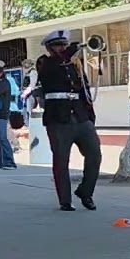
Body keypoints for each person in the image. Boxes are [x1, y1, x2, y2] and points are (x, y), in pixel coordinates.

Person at [35, 30, 101, 211]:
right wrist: (69, 52)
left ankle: (86, 192)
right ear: (50, 48)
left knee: (95, 154)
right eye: (58, 45)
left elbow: (85, 90)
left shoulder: (75, 64)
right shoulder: (45, 63)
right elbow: (50, 71)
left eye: (64, 44)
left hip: (80, 116)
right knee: (61, 160)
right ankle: (65, 200)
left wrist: (90, 116)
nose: (62, 48)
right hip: (58, 118)